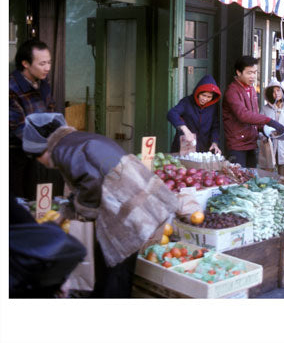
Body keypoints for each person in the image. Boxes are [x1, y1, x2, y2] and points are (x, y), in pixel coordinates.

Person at [22, 112, 178, 298]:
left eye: (36, 158)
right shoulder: (75, 140)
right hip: (136, 201)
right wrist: (64, 215)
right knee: (117, 263)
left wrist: (84, 213)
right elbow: (83, 185)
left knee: (116, 265)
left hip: (123, 207)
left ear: (42, 151)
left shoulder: (61, 151)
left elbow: (91, 183)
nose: (42, 164)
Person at [9, 39, 55, 199]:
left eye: (49, 62)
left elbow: (50, 110)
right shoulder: (10, 87)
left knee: (31, 198)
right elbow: (19, 127)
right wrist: (42, 152)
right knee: (15, 203)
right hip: (13, 153)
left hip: (34, 151)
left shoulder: (43, 82)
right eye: (42, 63)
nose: (47, 68)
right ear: (25, 63)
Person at [222, 56, 284, 168]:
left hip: (251, 142)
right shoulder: (232, 91)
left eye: (255, 72)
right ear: (238, 72)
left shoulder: (251, 88)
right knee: (238, 179)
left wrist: (265, 130)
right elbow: (243, 115)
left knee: (251, 179)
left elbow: (254, 114)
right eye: (249, 73)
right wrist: (270, 121)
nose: (253, 76)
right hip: (237, 145)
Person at [167, 74, 222, 154]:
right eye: (203, 95)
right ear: (198, 92)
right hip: (183, 147)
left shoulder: (212, 107)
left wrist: (215, 143)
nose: (205, 99)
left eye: (209, 97)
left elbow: (215, 127)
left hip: (203, 149)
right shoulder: (187, 102)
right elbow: (171, 113)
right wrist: (185, 130)